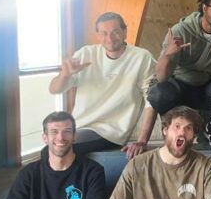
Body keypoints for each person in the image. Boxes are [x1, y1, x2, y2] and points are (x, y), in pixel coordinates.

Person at [48, 12, 156, 158]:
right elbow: (54, 89)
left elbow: (152, 101)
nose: (110, 38)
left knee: (58, 150)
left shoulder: (142, 57)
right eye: (104, 33)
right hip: (79, 127)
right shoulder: (86, 53)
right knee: (53, 147)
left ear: (125, 32)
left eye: (115, 32)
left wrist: (142, 141)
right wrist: (65, 74)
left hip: (111, 132)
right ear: (98, 35)